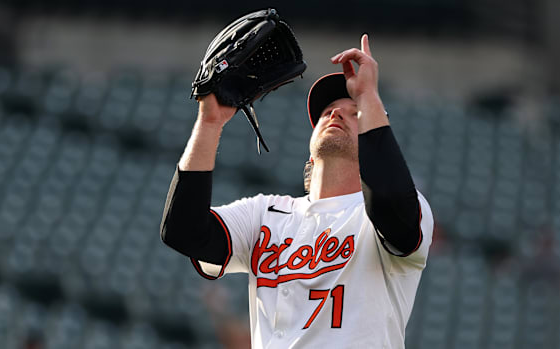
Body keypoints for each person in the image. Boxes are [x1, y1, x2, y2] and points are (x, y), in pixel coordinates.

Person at [160, 34, 434, 349]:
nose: (336, 112)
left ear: (375, 139)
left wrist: (369, 96)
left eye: (354, 111)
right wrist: (209, 123)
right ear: (310, 149)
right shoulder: (265, 214)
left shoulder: (393, 214)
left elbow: (390, 201)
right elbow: (183, 231)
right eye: (327, 110)